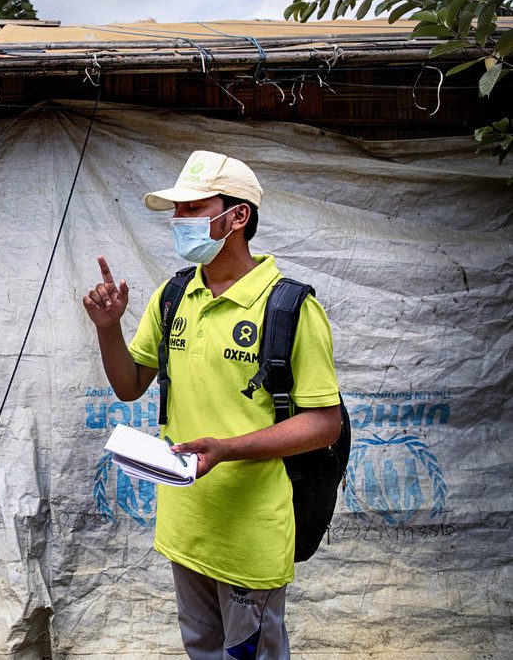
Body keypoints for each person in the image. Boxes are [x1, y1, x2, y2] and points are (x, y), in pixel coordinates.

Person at [82, 151, 341, 659]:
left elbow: (325, 424)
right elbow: (129, 385)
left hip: (250, 533)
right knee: (202, 648)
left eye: (192, 210)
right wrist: (108, 330)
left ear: (237, 216)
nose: (179, 223)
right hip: (186, 523)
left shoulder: (289, 307)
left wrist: (225, 449)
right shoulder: (172, 296)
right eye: (176, 213)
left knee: (250, 654)